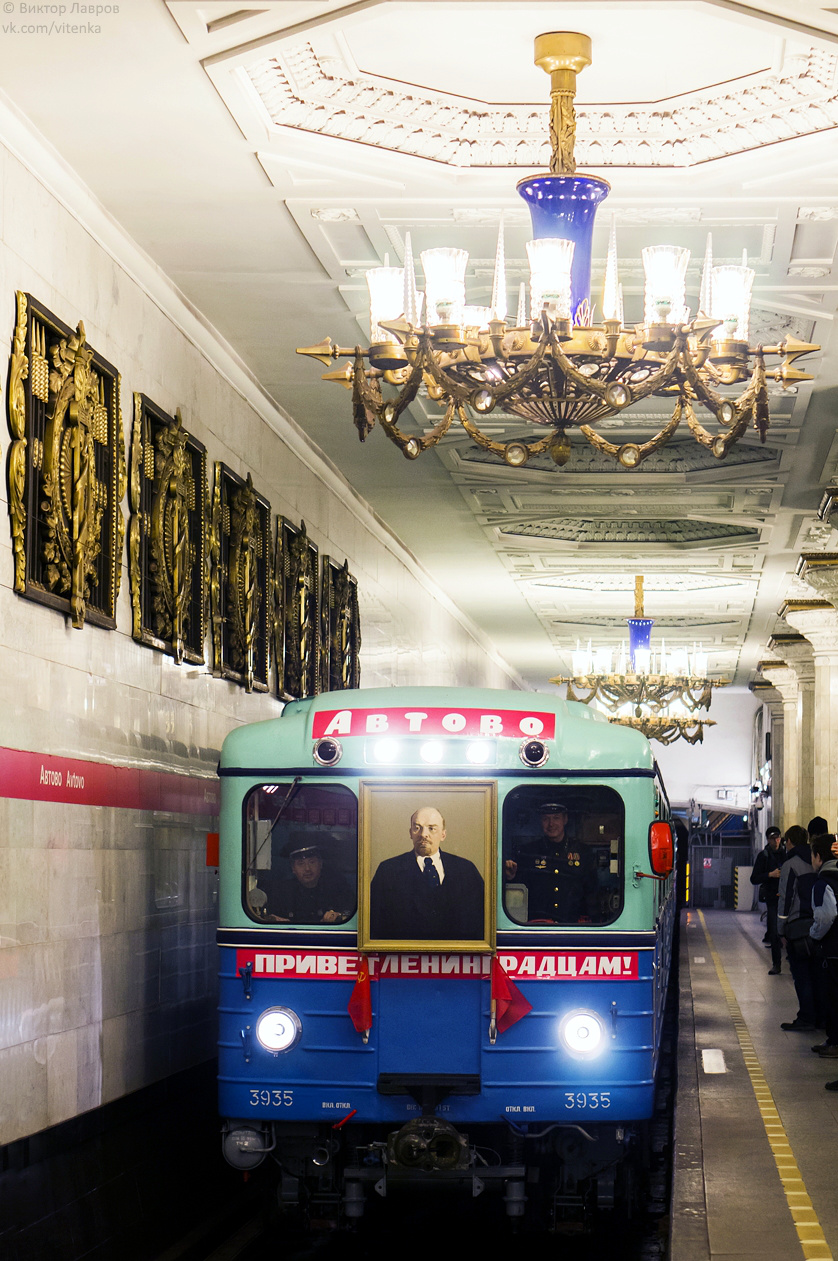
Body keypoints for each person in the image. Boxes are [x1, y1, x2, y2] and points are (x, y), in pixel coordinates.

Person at [369, 806, 484, 941]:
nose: (423, 834)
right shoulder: (387, 871)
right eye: (417, 827)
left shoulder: (467, 870)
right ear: (410, 833)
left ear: (443, 834)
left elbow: (482, 921)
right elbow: (375, 925)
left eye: (432, 828)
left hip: (457, 958)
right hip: (403, 957)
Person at [505, 802, 598, 924]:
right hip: (537, 925)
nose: (551, 824)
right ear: (540, 821)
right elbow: (519, 892)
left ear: (565, 819)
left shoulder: (583, 852)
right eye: (545, 819)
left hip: (573, 925)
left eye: (556, 818)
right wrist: (511, 878)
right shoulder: (528, 852)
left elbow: (592, 892)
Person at [777, 824, 818, 1032]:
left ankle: (806, 1017)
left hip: (797, 928)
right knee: (817, 974)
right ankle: (819, 1017)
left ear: (790, 842)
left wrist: (781, 929)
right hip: (819, 927)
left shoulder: (790, 864)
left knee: (801, 975)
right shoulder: (816, 860)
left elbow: (785, 899)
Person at [259, 839, 354, 924]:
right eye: (301, 864)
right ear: (293, 869)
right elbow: (267, 917)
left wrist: (338, 916)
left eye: (312, 862)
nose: (307, 869)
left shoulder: (338, 888)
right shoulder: (281, 892)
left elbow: (350, 913)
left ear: (320, 864)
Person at [808, 834, 838, 1065]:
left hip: (832, 950)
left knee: (832, 998)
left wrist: (813, 934)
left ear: (818, 856)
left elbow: (826, 916)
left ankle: (834, 1042)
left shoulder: (822, 883)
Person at [750, 825, 785, 973]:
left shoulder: (787, 854)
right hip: (772, 899)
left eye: (778, 838)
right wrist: (769, 875)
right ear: (768, 839)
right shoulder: (763, 856)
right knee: (774, 932)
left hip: (787, 897)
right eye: (772, 838)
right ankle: (776, 964)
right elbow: (754, 878)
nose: (776, 841)